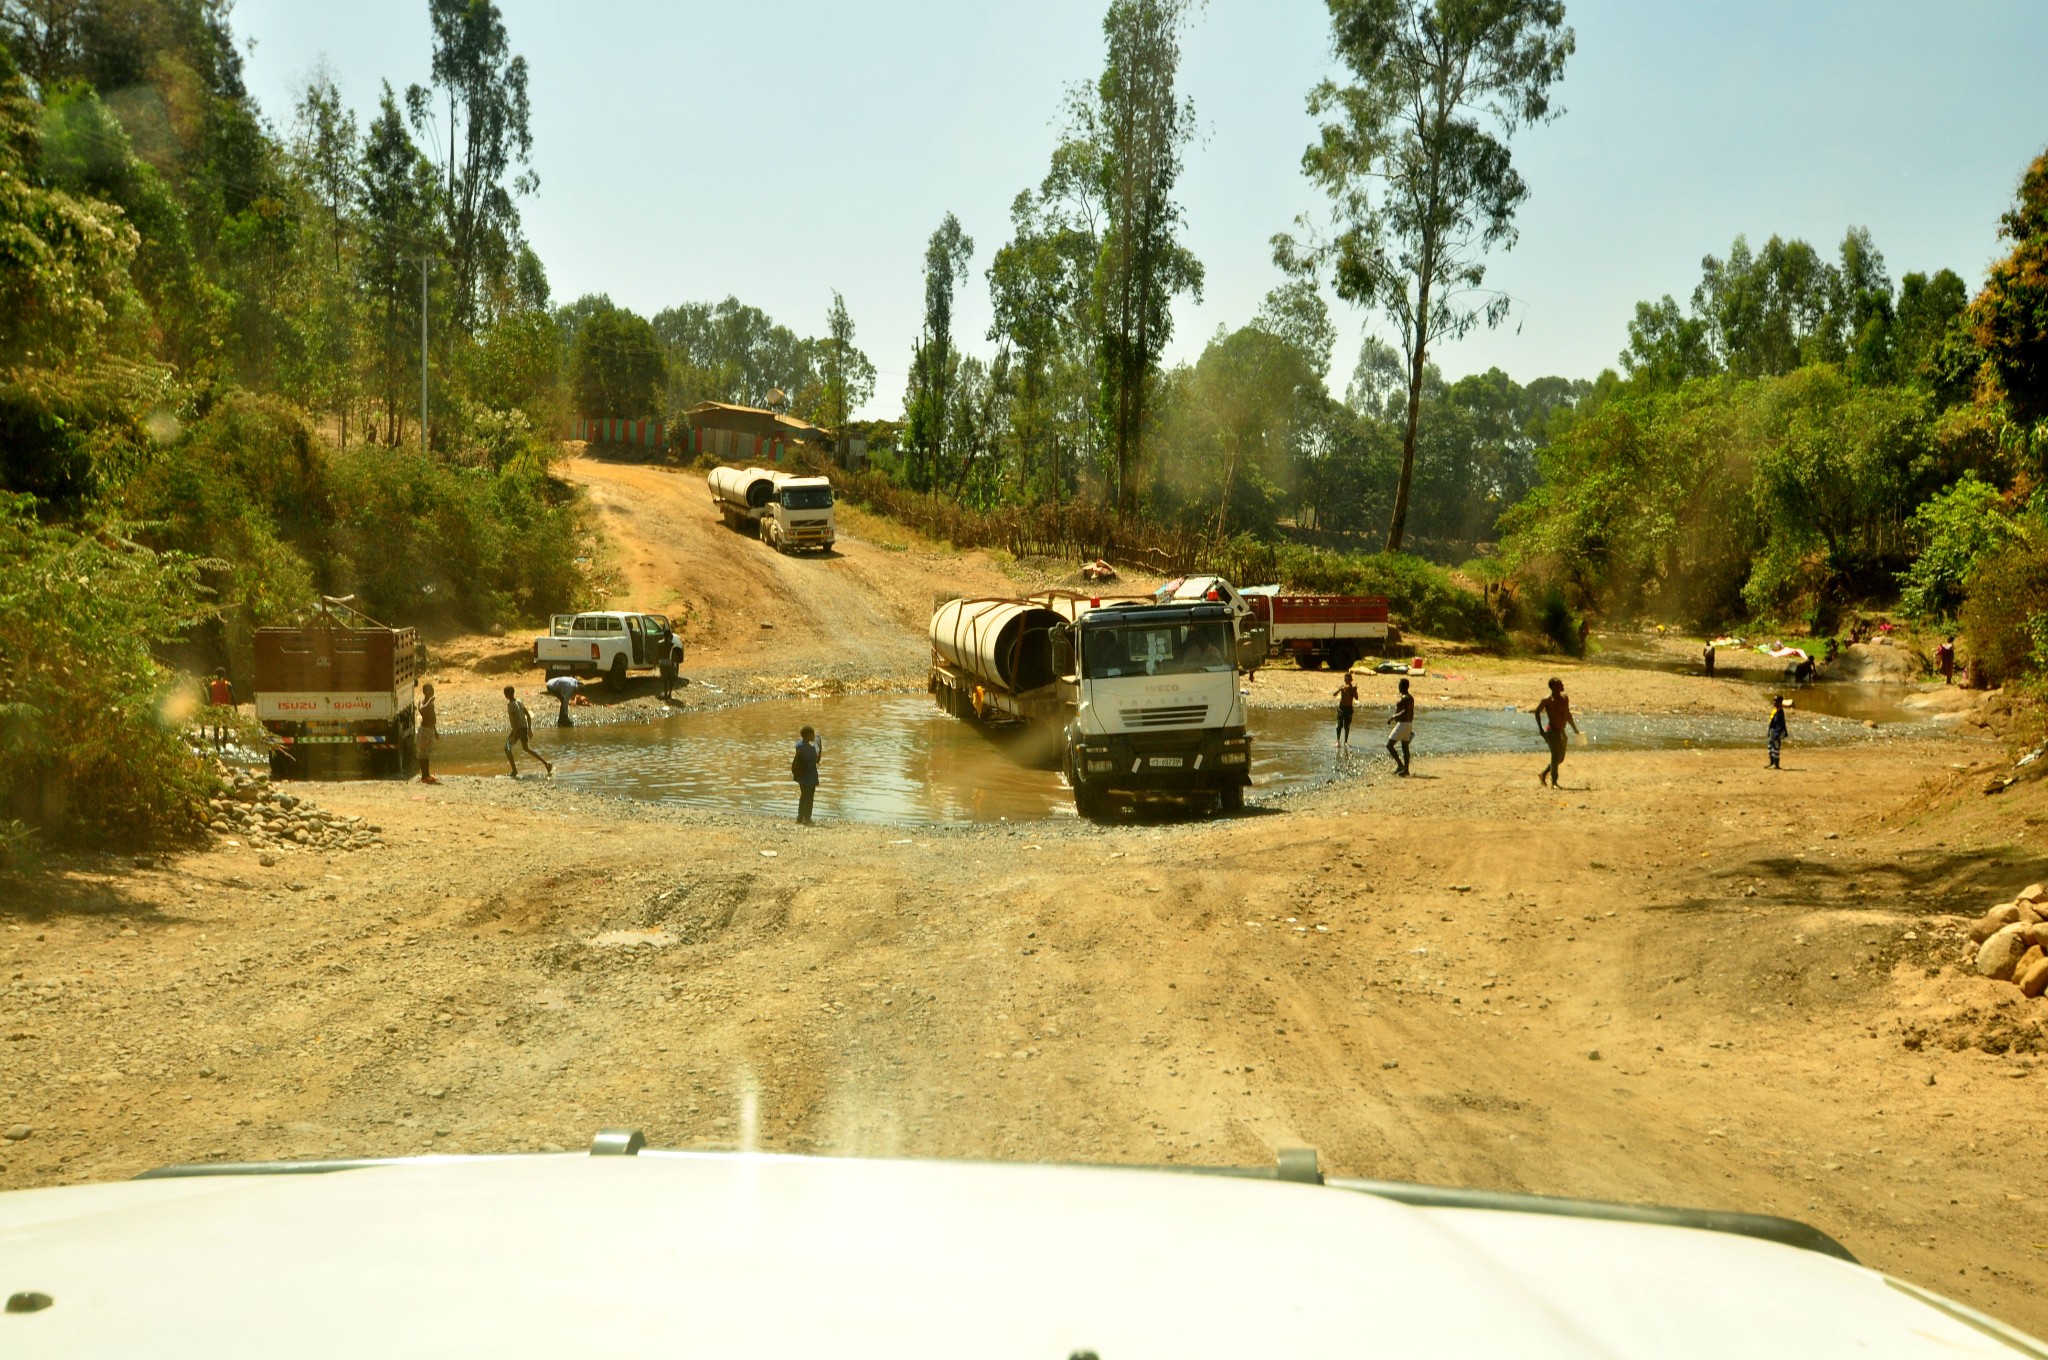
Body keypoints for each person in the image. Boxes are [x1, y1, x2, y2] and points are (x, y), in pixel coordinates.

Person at [1533, 677, 1578, 788]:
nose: (1562, 686)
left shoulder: (1564, 698)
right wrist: (1540, 729)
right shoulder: (1547, 700)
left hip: (1562, 732)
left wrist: (1575, 729)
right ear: (1553, 687)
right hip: (1551, 731)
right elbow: (1537, 712)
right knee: (1555, 755)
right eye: (1559, 684)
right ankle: (1554, 781)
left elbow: (1567, 714)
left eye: (1562, 684)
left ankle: (1543, 774)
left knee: (1560, 758)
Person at [503, 684, 552, 778]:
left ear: (507, 694)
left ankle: (514, 771)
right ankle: (546, 764)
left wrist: (514, 736)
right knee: (526, 748)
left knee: (507, 748)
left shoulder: (511, 705)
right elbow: (528, 716)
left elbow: (516, 721)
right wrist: (529, 729)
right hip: (524, 728)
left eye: (505, 693)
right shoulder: (519, 702)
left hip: (517, 730)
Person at [793, 724, 821, 824]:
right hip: (811, 776)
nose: (813, 736)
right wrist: (819, 747)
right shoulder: (811, 749)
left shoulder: (799, 745)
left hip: (802, 775)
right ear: (808, 735)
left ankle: (800, 817)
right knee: (810, 797)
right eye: (812, 734)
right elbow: (816, 760)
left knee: (803, 796)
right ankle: (807, 817)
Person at [1386, 677, 1414, 776]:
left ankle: (1400, 765)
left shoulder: (1405, 697)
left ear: (1402, 686)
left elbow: (1404, 711)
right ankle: (1406, 769)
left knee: (1389, 745)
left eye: (1399, 685)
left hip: (1402, 724)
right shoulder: (1410, 697)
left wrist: (1393, 717)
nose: (1398, 687)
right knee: (1405, 747)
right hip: (1408, 724)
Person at [416, 682, 440, 785]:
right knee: (423, 754)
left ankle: (427, 775)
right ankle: (424, 776)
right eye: (430, 689)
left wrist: (435, 731)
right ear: (425, 692)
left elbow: (431, 716)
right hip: (424, 730)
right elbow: (422, 710)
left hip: (430, 730)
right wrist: (429, 701)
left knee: (427, 754)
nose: (432, 691)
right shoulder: (422, 702)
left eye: (432, 689)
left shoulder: (429, 702)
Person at [206, 668, 234, 746]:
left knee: (216, 728)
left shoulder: (212, 685)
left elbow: (209, 698)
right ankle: (224, 745)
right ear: (224, 674)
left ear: (215, 674)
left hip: (216, 708)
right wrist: (235, 710)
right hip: (225, 709)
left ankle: (217, 746)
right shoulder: (228, 684)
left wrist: (208, 710)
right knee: (225, 728)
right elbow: (233, 697)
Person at [1332, 670, 1358, 748]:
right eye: (1345, 679)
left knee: (1347, 726)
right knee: (1339, 726)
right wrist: (1340, 689)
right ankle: (1338, 741)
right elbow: (1334, 694)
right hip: (1341, 708)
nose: (1346, 681)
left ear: (1351, 680)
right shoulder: (1342, 687)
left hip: (1349, 709)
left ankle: (1345, 742)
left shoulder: (1353, 688)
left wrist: (1354, 691)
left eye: (1348, 679)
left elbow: (1356, 698)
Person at [1767, 694, 1788, 770]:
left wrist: (1777, 734)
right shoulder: (1775, 710)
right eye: (1774, 700)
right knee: (1770, 747)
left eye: (1775, 701)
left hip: (1777, 733)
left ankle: (1776, 765)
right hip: (1773, 732)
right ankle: (1772, 763)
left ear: (1780, 702)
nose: (1774, 702)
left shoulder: (1780, 712)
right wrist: (1769, 732)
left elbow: (1780, 725)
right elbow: (1772, 722)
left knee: (1776, 747)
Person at [658, 632, 680, 701]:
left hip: (662, 662)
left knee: (665, 680)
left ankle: (665, 694)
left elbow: (658, 653)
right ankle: (669, 694)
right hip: (669, 663)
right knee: (670, 679)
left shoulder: (660, 643)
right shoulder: (671, 644)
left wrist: (655, 662)